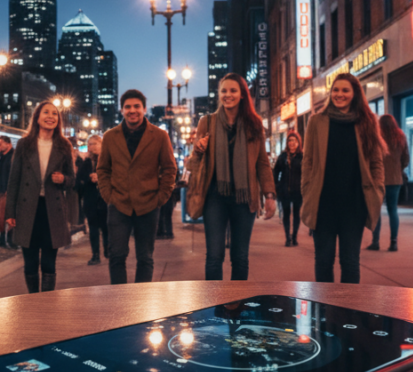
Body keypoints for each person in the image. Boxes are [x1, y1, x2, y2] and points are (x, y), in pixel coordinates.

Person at [190, 73, 276, 280]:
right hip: (214, 197)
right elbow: (194, 163)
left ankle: (237, 306)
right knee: (214, 256)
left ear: (242, 95)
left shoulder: (254, 124)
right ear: (219, 95)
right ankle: (216, 306)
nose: (228, 95)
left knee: (240, 257)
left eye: (233, 91)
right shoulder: (207, 122)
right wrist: (199, 149)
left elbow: (262, 164)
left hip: (244, 200)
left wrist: (270, 195)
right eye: (224, 91)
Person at [301, 73, 386, 284]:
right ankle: (323, 313)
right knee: (323, 261)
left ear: (355, 93)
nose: (339, 94)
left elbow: (376, 162)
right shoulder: (316, 121)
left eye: (345, 90)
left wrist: (378, 190)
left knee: (350, 262)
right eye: (336, 90)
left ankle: (349, 313)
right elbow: (308, 160)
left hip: (354, 205)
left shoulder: (366, 121)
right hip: (323, 205)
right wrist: (307, 190)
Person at [97, 89, 178, 284]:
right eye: (127, 107)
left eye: (136, 106)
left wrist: (161, 197)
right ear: (121, 109)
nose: (132, 111)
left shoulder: (159, 136)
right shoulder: (110, 136)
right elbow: (103, 170)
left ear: (144, 109)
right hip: (118, 205)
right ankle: (120, 302)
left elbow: (169, 168)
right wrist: (109, 196)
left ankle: (142, 303)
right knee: (116, 256)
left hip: (148, 205)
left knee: (145, 258)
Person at [4, 100, 76, 293]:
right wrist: (10, 212)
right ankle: (33, 299)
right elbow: (14, 180)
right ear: (37, 117)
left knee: (49, 263)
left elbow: (73, 179)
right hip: (28, 209)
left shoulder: (63, 145)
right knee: (30, 262)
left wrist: (64, 179)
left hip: (52, 210)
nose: (50, 116)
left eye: (54, 113)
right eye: (46, 112)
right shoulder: (24, 144)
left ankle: (47, 302)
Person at [367, 115, 411, 252]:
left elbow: (369, 157)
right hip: (395, 179)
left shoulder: (376, 137)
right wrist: (398, 169)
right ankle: (393, 243)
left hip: (378, 179)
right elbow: (406, 158)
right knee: (393, 210)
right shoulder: (400, 137)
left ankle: (375, 242)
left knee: (376, 210)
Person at [76, 133, 108, 265]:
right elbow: (78, 181)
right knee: (93, 229)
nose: (91, 147)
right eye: (89, 144)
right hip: (91, 201)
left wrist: (100, 179)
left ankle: (108, 250)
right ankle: (95, 254)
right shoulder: (86, 162)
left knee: (106, 228)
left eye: (94, 143)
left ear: (101, 144)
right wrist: (89, 179)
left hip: (105, 200)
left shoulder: (107, 160)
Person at [273, 130, 303, 247]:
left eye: (294, 141)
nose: (291, 143)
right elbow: (276, 171)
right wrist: (277, 185)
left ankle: (294, 237)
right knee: (286, 214)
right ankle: (287, 238)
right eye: (289, 141)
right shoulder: (283, 156)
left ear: (298, 143)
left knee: (296, 213)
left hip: (298, 191)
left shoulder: (302, 157)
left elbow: (306, 173)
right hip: (284, 190)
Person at [0, 135, 14, 248]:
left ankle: (8, 238)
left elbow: (13, 175)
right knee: (2, 214)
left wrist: (8, 189)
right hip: (1, 190)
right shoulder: (2, 156)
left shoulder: (13, 157)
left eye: (0, 144)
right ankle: (2, 237)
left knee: (7, 214)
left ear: (8, 144)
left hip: (8, 191)